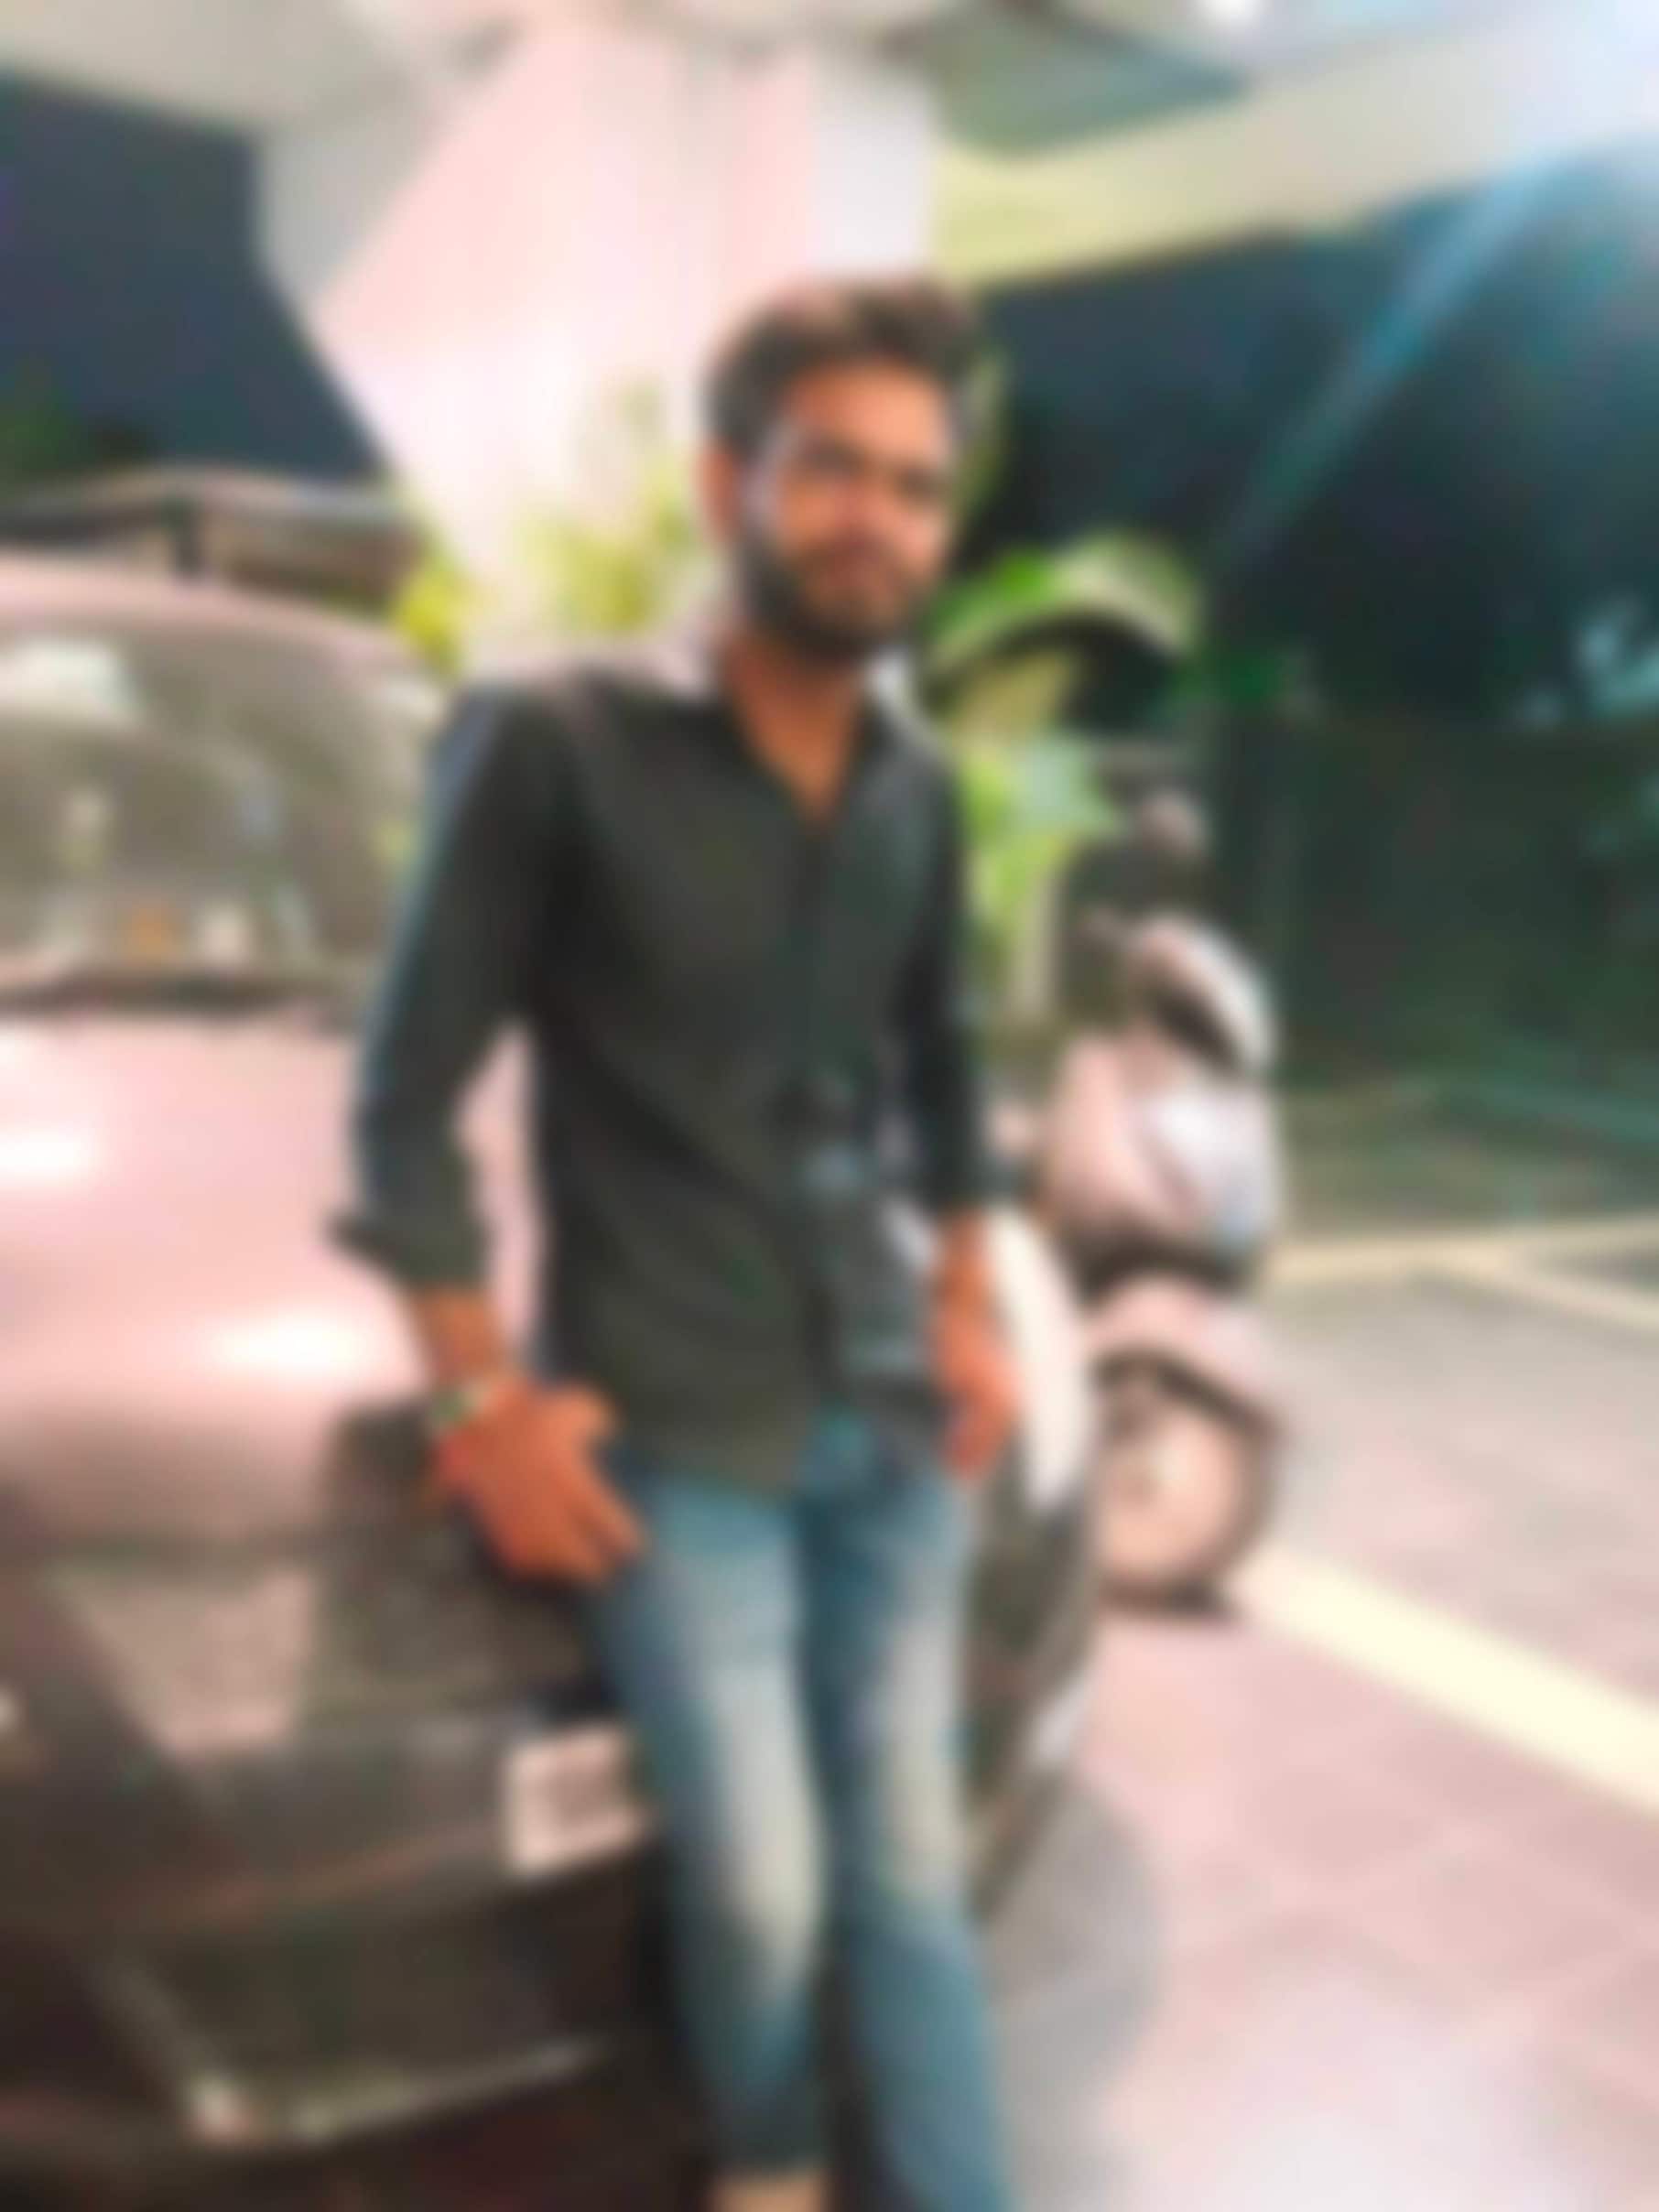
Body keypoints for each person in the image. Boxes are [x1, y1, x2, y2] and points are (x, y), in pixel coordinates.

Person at [335, 277, 1021, 2212]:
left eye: (916, 486)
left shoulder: (915, 787)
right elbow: (402, 1100)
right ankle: (771, 2168)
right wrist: (479, 1399)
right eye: (832, 469)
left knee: (910, 1868)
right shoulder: (554, 740)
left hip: (889, 1416)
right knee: (763, 1884)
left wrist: (969, 1298)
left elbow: (947, 1061)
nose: (877, 518)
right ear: (733, 484)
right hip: (674, 1422)